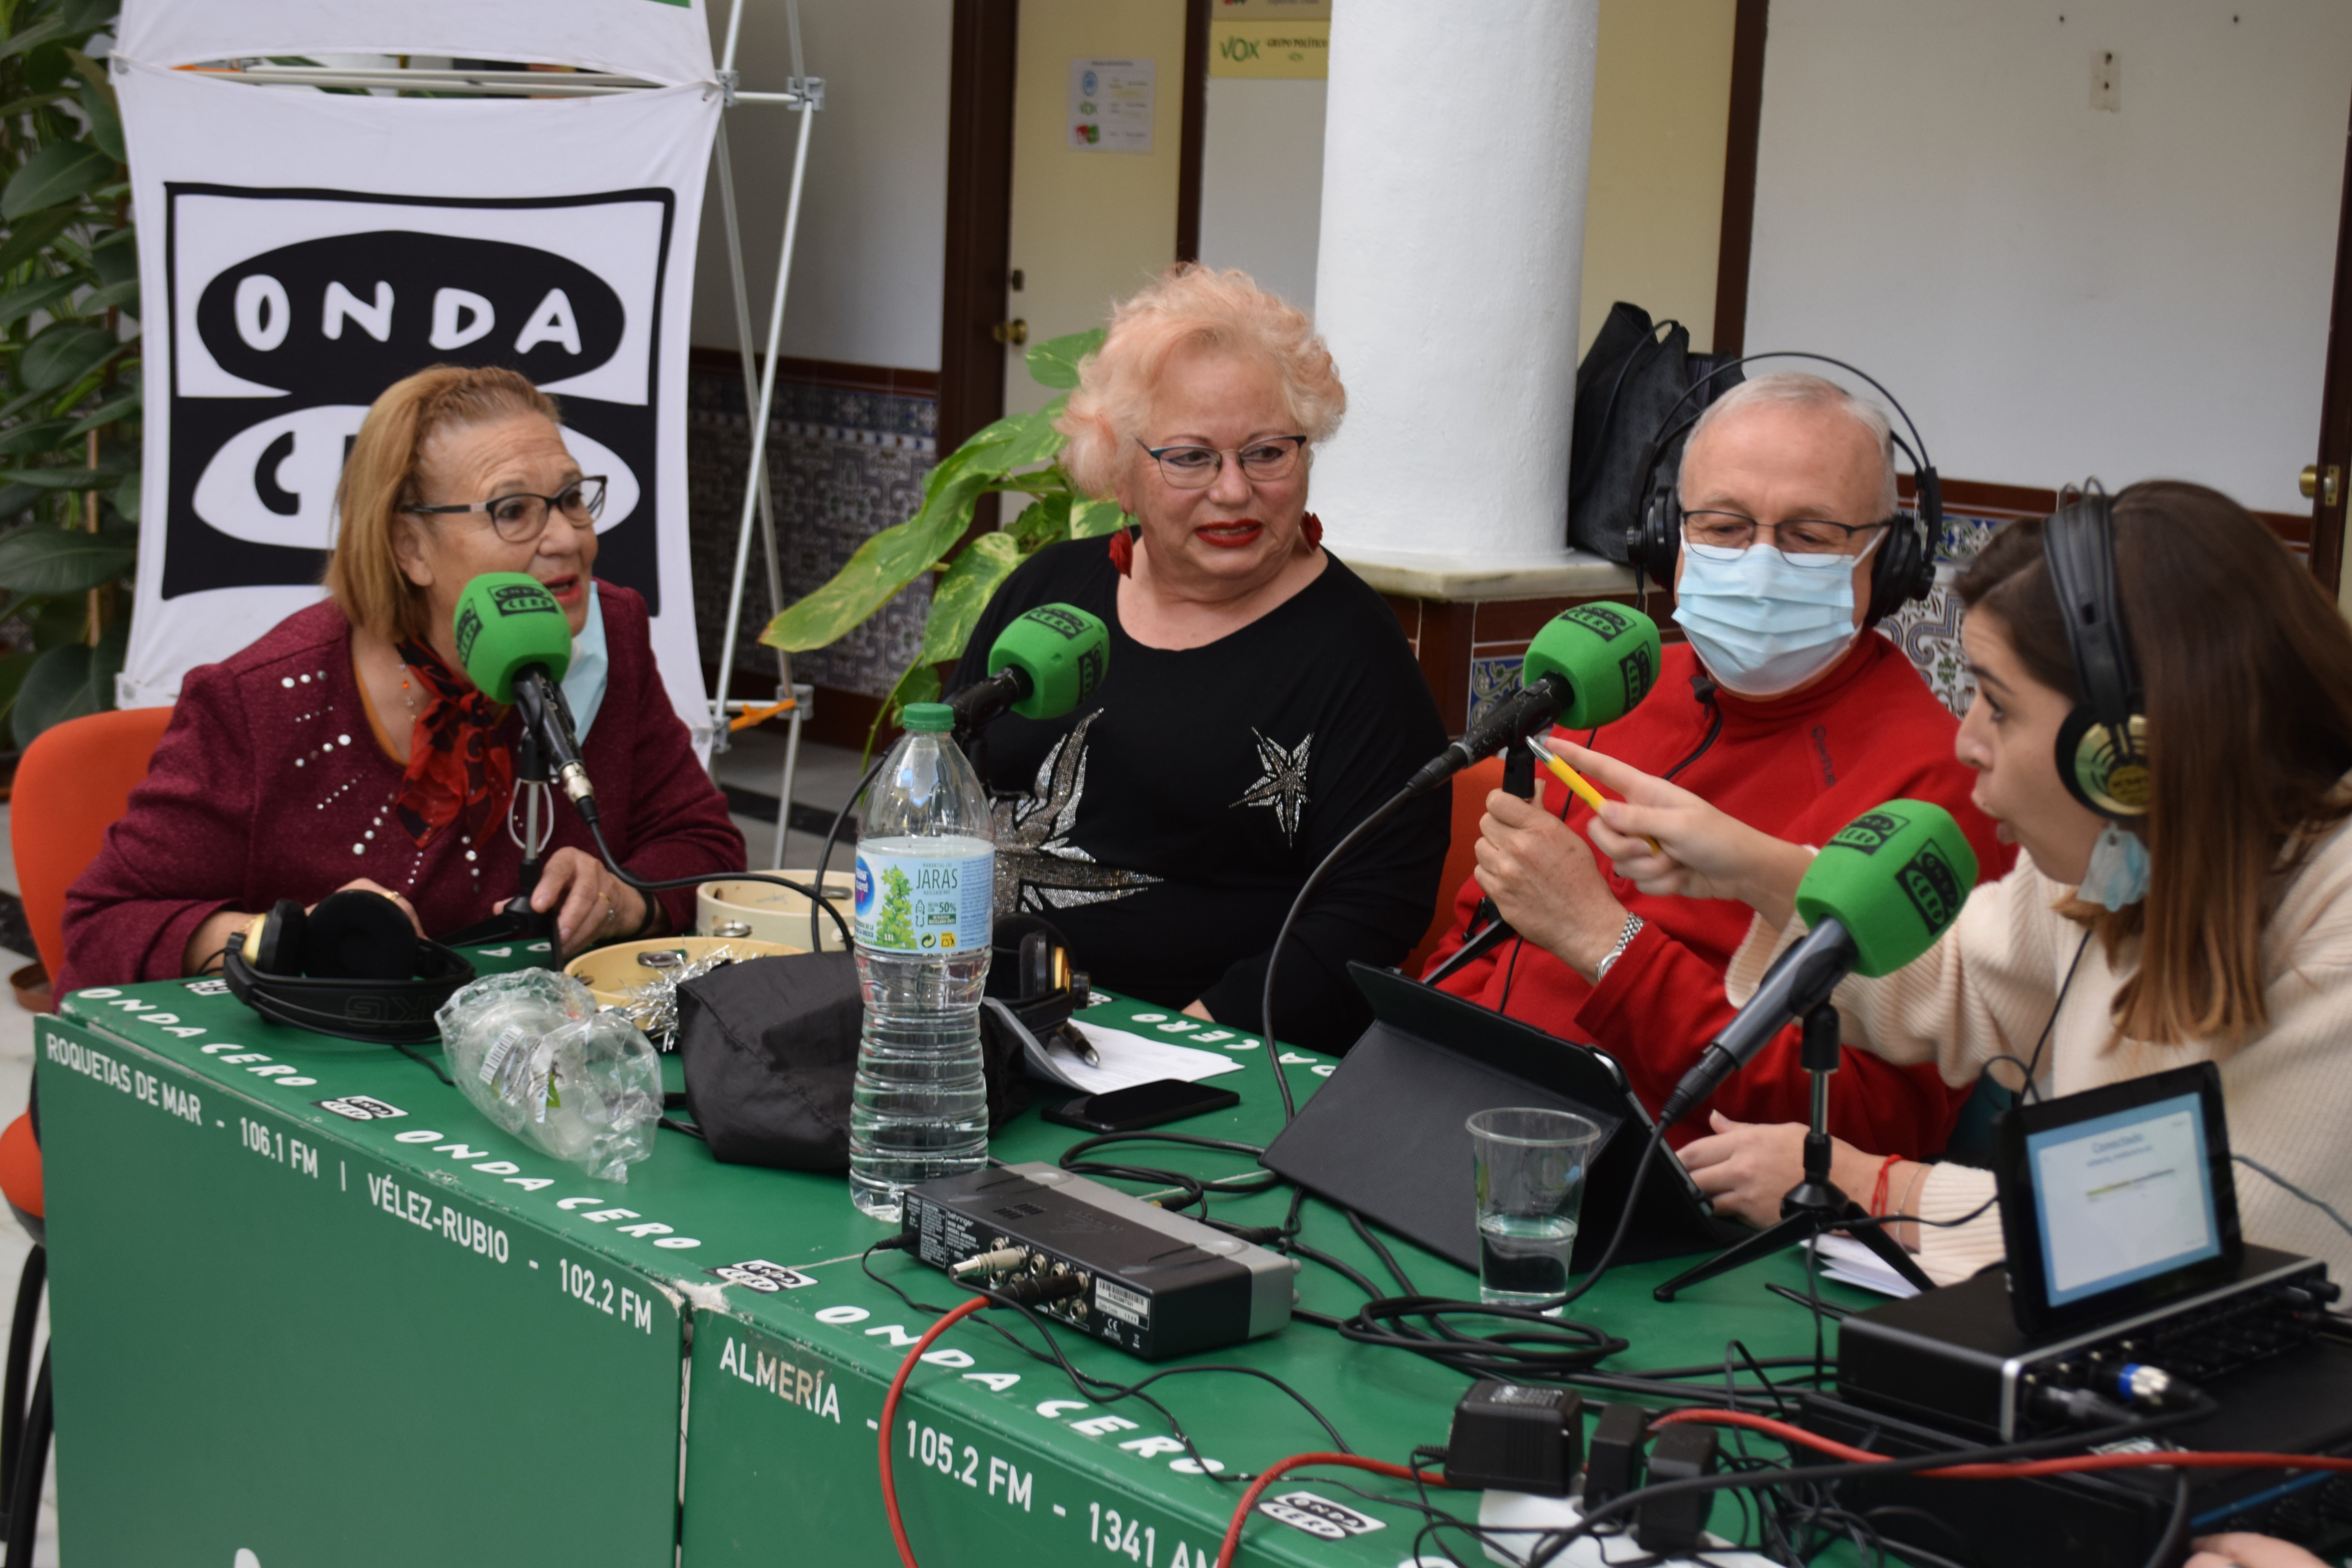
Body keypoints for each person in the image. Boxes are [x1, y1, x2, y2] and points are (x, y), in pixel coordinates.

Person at [1570, 481, 2352, 1285]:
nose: (1968, 738)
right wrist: (1750, 870)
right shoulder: (2123, 856)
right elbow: (1960, 983)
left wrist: (1882, 1187)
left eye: (2000, 706)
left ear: (2128, 755)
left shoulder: (2337, 920)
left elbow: (2182, 1245)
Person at [1425, 373, 2011, 1152]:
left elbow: (1875, 1126)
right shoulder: (1614, 686)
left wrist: (1607, 939)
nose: (1761, 561)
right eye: (1726, 526)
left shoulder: (1939, 784)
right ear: (1669, 538)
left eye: (1809, 536)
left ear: (1890, 559)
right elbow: (1477, 937)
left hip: (1674, 1189)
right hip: (1466, 1115)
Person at [61, 365, 744, 989]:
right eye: (512, 511)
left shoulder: (607, 633)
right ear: (408, 547)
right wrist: (295, 940)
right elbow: (104, 928)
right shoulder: (260, 701)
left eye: (570, 498)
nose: (566, 538)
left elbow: (704, 848)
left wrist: (624, 897)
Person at [951, 264, 1448, 1052]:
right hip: (980, 1014)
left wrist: (1189, 1042)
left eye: (1266, 453)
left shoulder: (1356, 654)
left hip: (1199, 1060)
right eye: (1189, 457)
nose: (1233, 490)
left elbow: (1369, 910)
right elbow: (945, 777)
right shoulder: (1050, 588)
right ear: (1122, 467)